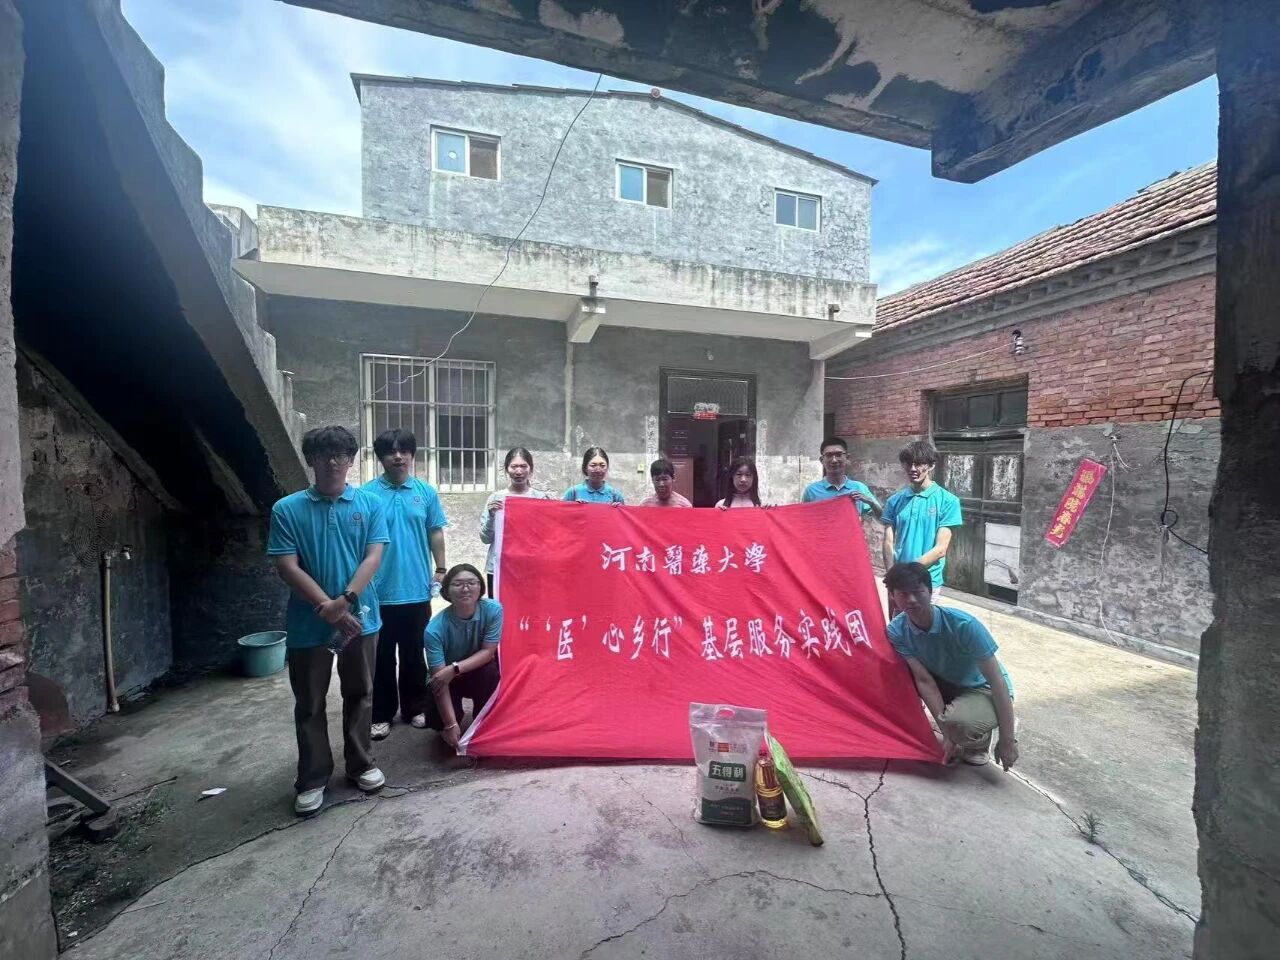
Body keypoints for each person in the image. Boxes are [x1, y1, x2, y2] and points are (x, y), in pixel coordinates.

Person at [267, 425, 390, 816]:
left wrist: (346, 600)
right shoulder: (287, 509)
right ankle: (313, 777)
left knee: (361, 692)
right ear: (311, 460)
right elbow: (287, 566)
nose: (333, 462)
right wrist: (328, 606)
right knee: (310, 702)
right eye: (324, 455)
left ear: (351, 460)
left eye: (341, 455)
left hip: (361, 618)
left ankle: (361, 764)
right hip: (309, 623)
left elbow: (373, 556)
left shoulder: (370, 504)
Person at [884, 562, 1018, 770]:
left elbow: (996, 680)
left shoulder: (964, 625)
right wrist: (947, 737)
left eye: (918, 591)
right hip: (946, 683)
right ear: (893, 596)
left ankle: (982, 735)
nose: (911, 600)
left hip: (982, 688)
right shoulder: (897, 631)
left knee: (959, 725)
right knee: (891, 676)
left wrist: (1008, 740)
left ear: (930, 591)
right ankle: (960, 728)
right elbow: (924, 680)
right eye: (903, 594)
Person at [360, 428, 448, 742]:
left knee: (414, 653)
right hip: (377, 591)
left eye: (404, 451)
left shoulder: (425, 492)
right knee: (382, 655)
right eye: (390, 452)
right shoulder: (367, 495)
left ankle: (415, 708)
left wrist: (440, 568)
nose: (398, 457)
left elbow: (435, 531)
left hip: (416, 588)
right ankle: (381, 714)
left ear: (412, 455)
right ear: (380, 457)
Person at [423, 564, 503, 751]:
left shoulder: (493, 610)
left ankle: (484, 722)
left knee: (491, 671)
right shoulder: (434, 630)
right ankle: (448, 725)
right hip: (446, 680)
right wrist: (450, 725)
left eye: (471, 583)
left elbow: (488, 653)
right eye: (457, 584)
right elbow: (440, 680)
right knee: (439, 721)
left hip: (474, 671)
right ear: (446, 591)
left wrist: (454, 668)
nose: (465, 589)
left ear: (481, 587)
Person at [881, 440, 962, 613]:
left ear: (931, 465)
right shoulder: (894, 501)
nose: (912, 468)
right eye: (908, 463)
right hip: (898, 581)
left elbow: (940, 549)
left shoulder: (948, 501)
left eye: (918, 464)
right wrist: (891, 574)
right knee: (897, 625)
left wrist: (906, 572)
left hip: (927, 581)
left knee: (924, 626)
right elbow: (888, 541)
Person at [480, 447, 555, 595]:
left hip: (531, 568)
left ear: (530, 469)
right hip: (500, 568)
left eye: (523, 466)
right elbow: (485, 538)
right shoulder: (496, 499)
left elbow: (550, 536)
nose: (518, 471)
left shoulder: (541, 499)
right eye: (514, 466)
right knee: (499, 609)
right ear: (506, 469)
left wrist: (577, 509)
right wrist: (491, 517)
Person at [802, 436, 882, 518]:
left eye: (838, 455)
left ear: (847, 458)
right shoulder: (811, 491)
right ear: (822, 460)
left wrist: (870, 502)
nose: (834, 460)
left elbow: (879, 516)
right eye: (829, 455)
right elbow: (804, 519)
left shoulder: (859, 487)